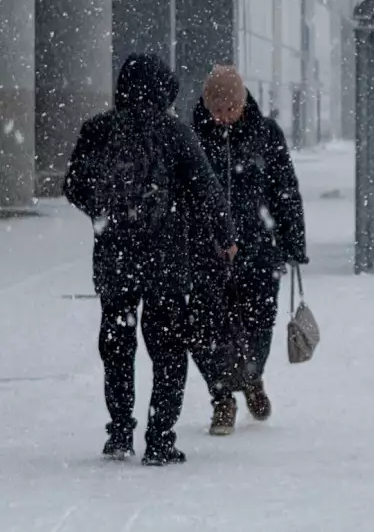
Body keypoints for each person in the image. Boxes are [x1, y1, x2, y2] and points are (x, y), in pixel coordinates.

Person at [63, 53, 236, 466]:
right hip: (165, 260)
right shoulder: (176, 133)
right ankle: (159, 439)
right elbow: (207, 191)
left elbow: (73, 185)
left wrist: (103, 214)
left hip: (115, 258)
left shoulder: (97, 130)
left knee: (118, 346)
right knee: (168, 351)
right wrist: (225, 236)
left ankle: (120, 431)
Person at [191, 65, 308, 436]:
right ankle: (222, 398)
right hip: (208, 252)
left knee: (258, 323)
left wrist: (293, 242)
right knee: (209, 328)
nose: (223, 117)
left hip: (258, 249)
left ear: (243, 102)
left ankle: (252, 378)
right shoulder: (193, 136)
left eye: (230, 109)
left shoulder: (265, 135)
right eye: (217, 110)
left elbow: (285, 190)